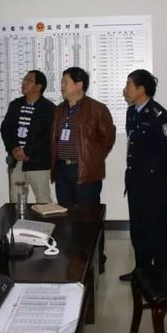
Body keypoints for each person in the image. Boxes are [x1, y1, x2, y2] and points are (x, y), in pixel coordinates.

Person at [118, 70, 167, 282]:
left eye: (129, 85)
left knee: (157, 228)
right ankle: (142, 270)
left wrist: (163, 183)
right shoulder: (131, 112)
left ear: (141, 89)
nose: (125, 90)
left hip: (153, 184)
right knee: (138, 229)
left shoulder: (160, 116)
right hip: (135, 181)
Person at [50, 67, 116, 272]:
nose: (62, 85)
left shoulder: (97, 109)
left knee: (89, 219)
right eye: (62, 81)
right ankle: (73, 256)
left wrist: (92, 159)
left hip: (85, 172)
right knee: (67, 217)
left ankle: (96, 259)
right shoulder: (59, 110)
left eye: (66, 81)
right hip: (62, 171)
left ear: (79, 85)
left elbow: (108, 137)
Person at [0, 70, 55, 203]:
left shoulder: (49, 108)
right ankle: (19, 218)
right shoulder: (15, 105)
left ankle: (45, 219)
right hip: (16, 160)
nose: (24, 82)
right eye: (24, 79)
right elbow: (5, 129)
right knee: (17, 200)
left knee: (43, 200)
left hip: (38, 162)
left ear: (38, 86)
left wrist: (27, 151)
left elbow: (48, 137)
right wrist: (13, 149)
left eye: (29, 80)